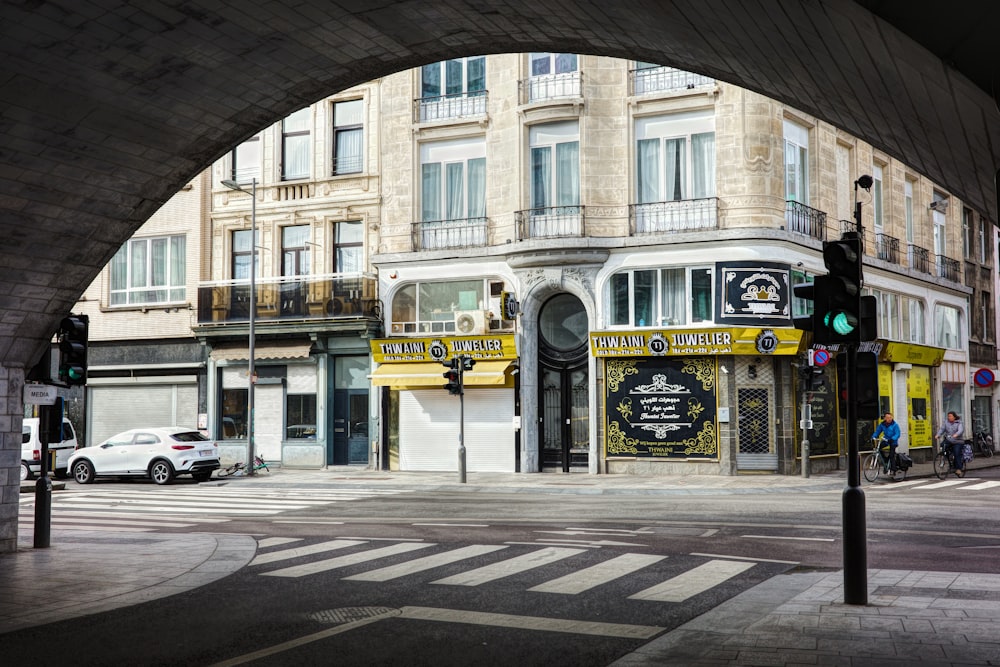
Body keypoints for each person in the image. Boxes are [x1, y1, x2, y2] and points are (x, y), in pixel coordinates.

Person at [935, 411, 966, 477]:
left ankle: (958, 468)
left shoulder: (959, 423)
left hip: (958, 441)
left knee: (957, 452)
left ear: (954, 417)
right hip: (949, 439)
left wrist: (956, 434)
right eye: (948, 416)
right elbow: (942, 429)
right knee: (943, 445)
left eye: (950, 416)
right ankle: (946, 457)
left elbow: (960, 430)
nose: (949, 418)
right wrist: (938, 435)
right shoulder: (946, 422)